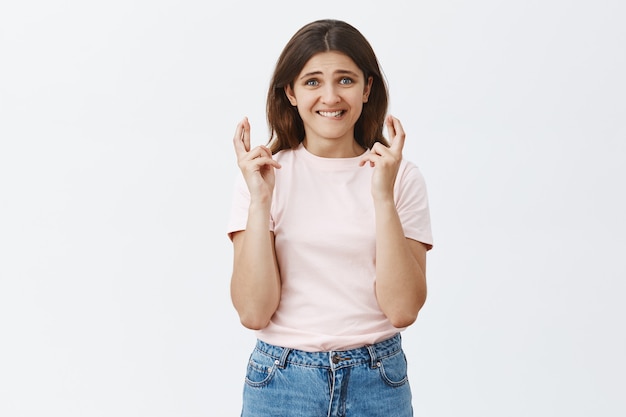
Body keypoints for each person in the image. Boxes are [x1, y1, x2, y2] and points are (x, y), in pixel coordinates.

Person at [226, 19, 433, 417]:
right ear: (290, 92)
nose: (330, 96)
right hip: (281, 382)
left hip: (377, 381)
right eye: (312, 82)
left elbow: (403, 309)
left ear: (367, 88)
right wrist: (260, 202)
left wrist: (382, 199)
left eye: (345, 80)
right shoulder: (263, 176)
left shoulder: (400, 176)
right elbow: (253, 313)